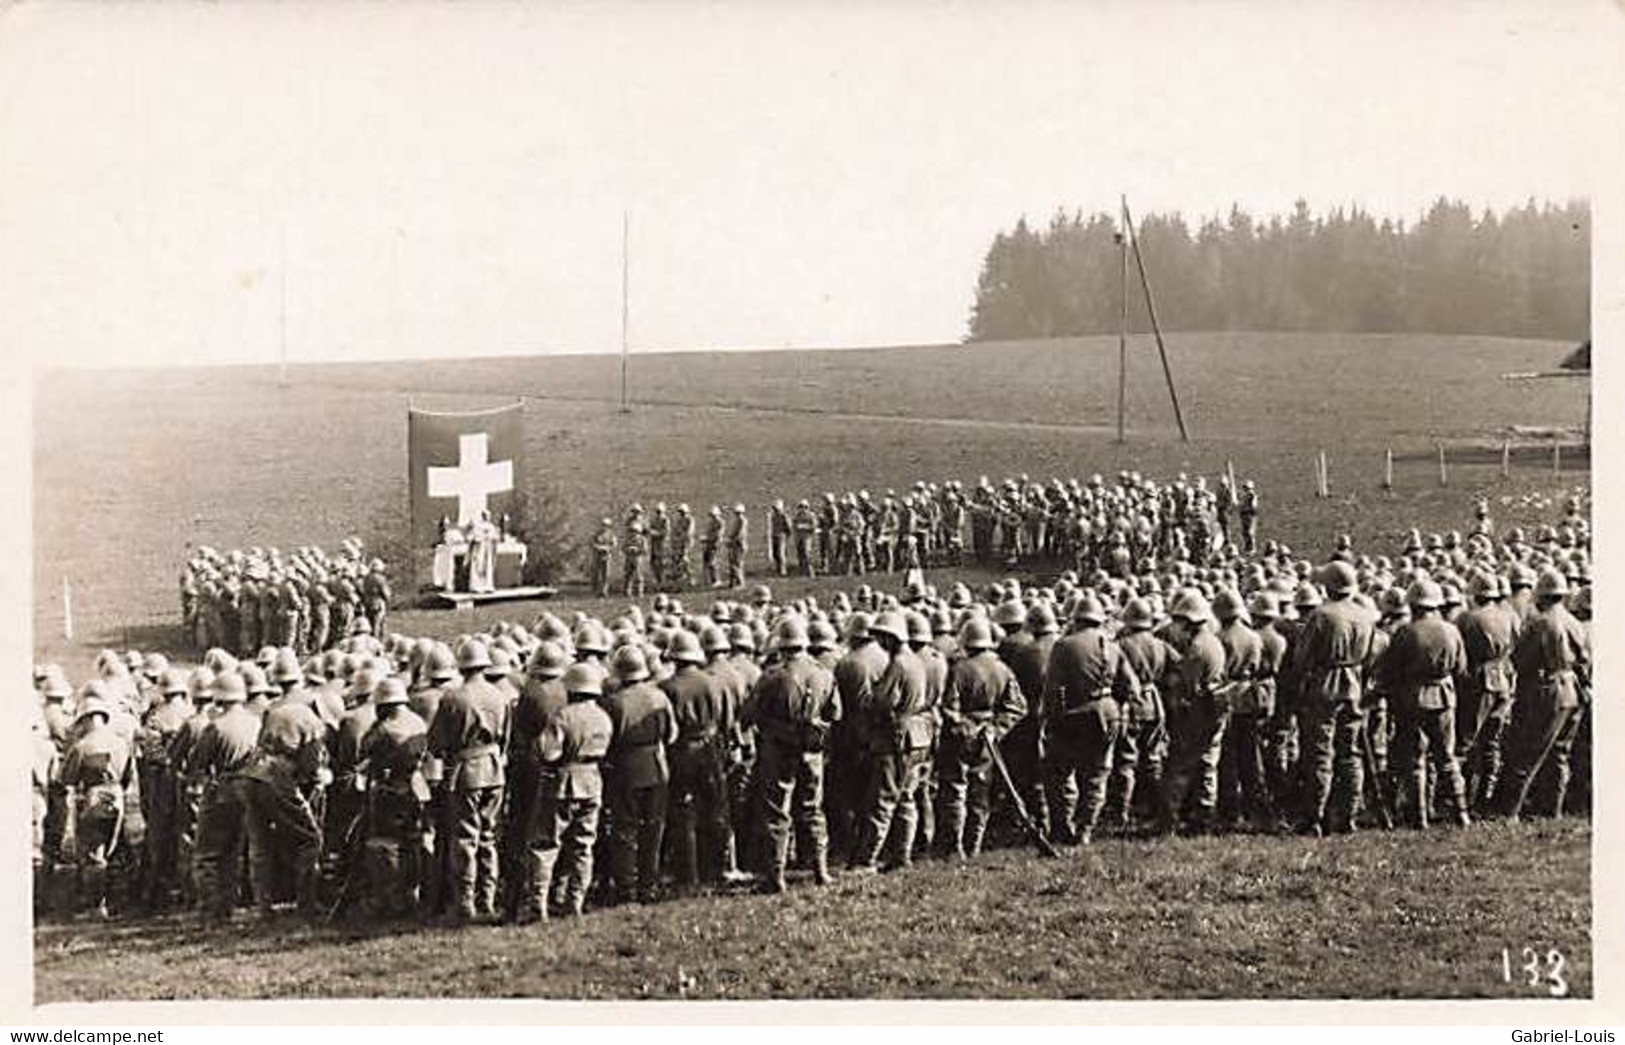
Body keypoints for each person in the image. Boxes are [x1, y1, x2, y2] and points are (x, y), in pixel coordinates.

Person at [749, 616, 841, 891]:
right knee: (813, 808)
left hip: (779, 750)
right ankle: (820, 871)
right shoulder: (824, 673)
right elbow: (835, 713)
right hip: (811, 751)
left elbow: (752, 713)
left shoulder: (772, 677)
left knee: (777, 811)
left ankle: (775, 876)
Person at [426, 640, 511, 923]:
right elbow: (505, 738)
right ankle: (486, 898)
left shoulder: (453, 698)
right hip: (494, 770)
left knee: (465, 838)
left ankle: (465, 902)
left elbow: (436, 744)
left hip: (466, 772)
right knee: (488, 836)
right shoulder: (499, 696)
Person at [1496, 568, 1590, 820]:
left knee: (1527, 752)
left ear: (1543, 595)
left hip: (1546, 690)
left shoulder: (1540, 623)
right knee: (1560, 753)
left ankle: (1510, 813)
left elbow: (1520, 659)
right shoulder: (1574, 622)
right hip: (1571, 689)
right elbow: (1584, 660)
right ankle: (1552, 810)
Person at [524, 663, 614, 921]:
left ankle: (538, 905)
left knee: (545, 845)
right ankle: (575, 902)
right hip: (592, 782)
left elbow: (549, 752)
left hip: (563, 783)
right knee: (583, 846)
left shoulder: (562, 717)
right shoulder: (602, 717)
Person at [1291, 561, 1375, 836]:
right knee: (1351, 753)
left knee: (1320, 754)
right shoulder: (1365, 615)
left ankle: (1313, 818)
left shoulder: (1321, 616)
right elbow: (1371, 655)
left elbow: (1302, 658)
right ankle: (1348, 815)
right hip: (1354, 687)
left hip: (1324, 688)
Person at [1378, 579, 1471, 829]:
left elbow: (1391, 671)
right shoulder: (1451, 630)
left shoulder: (1406, 633)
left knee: (1415, 758)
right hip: (1443, 697)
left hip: (1412, 698)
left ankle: (1419, 816)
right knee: (1446, 757)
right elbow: (1461, 669)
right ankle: (1461, 812)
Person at [1044, 594, 1135, 845]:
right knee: (1097, 774)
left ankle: (1064, 827)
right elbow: (1129, 686)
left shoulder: (1064, 645)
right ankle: (1085, 829)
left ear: (1076, 619)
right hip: (1108, 714)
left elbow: (1053, 689)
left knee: (1061, 772)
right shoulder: (1113, 646)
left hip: (1076, 714)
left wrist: (1052, 720)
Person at [850, 611, 932, 872]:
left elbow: (882, 702)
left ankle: (866, 860)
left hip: (896, 737)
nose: (880, 642)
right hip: (918, 736)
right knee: (906, 798)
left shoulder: (898, 664)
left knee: (882, 801)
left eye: (882, 637)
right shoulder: (916, 661)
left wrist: (868, 697)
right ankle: (902, 855)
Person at [938, 616, 1026, 859]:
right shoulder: (1002, 669)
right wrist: (997, 729)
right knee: (980, 794)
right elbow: (1017, 707)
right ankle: (974, 845)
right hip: (988, 740)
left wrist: (964, 726)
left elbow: (948, 708)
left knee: (956, 791)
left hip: (961, 738)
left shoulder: (958, 670)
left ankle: (956, 847)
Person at [602, 644, 677, 904]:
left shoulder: (613, 702)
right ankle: (649, 884)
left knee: (625, 829)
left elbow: (607, 741)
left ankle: (627, 888)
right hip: (656, 765)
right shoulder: (659, 697)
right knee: (654, 828)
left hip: (626, 768)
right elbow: (672, 734)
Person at [661, 630, 733, 890]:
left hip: (681, 751)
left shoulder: (666, 688)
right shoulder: (713, 682)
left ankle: (687, 874)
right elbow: (726, 719)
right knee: (714, 810)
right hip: (711, 748)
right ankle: (715, 869)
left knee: (683, 812)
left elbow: (666, 730)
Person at [190, 672, 262, 923]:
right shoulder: (255, 722)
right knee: (233, 853)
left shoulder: (216, 727)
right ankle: (227, 908)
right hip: (248, 790)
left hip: (220, 791)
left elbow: (197, 762)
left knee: (208, 854)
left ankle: (210, 910)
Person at [358, 676, 429, 920]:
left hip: (392, 788)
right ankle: (412, 894)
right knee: (413, 841)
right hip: (418, 785)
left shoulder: (384, 729)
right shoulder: (418, 721)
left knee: (385, 844)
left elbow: (364, 748)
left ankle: (388, 898)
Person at [59, 691, 135, 918]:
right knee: (115, 849)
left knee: (94, 853)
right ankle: (118, 900)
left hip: (94, 798)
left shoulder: (83, 746)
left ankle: (96, 906)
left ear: (86, 719)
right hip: (117, 796)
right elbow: (128, 775)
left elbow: (65, 779)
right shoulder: (121, 743)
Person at [590, 519, 617, 598]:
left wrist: (607, 548)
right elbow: (592, 543)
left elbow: (614, 545)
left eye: (606, 525)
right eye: (603, 525)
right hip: (597, 556)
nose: (604, 526)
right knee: (597, 573)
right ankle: (597, 591)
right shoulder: (596, 534)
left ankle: (604, 591)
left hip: (607, 556)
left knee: (606, 575)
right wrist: (598, 547)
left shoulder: (611, 535)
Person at [725, 503, 750, 589]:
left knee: (737, 564)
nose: (737, 514)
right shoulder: (736, 520)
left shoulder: (742, 521)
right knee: (732, 564)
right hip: (734, 545)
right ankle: (733, 582)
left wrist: (730, 540)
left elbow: (739, 534)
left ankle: (740, 583)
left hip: (739, 545)